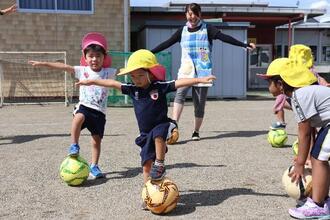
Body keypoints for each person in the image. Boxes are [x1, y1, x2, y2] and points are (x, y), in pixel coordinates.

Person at [75, 49, 215, 185]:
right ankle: (148, 191)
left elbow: (178, 83)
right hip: (145, 133)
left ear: (151, 74)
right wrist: (91, 81)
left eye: (140, 75)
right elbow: (112, 83)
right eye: (133, 76)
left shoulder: (159, 86)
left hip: (162, 124)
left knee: (158, 135)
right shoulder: (132, 89)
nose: (137, 80)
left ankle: (160, 164)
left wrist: (199, 79)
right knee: (146, 165)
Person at [151, 2, 255, 141]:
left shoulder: (207, 29)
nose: (192, 16)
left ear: (199, 14)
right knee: (180, 95)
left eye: (194, 13)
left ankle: (196, 131)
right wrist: (150, 53)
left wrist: (244, 45)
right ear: (185, 15)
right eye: (189, 13)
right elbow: (167, 43)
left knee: (199, 103)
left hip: (203, 72)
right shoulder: (181, 31)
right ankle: (174, 125)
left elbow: (225, 38)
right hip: (186, 71)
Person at [29, 32, 115, 179]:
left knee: (96, 141)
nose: (94, 59)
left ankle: (94, 166)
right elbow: (63, 66)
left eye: (98, 56)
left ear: (104, 57)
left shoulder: (108, 72)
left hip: (100, 113)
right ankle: (74, 145)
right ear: (85, 57)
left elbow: (126, 72)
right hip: (85, 106)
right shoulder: (82, 71)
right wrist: (44, 63)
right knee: (78, 117)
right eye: (91, 56)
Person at [275, 60, 330, 219]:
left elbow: (304, 133)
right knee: (318, 157)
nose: (267, 87)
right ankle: (323, 200)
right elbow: (311, 131)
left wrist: (299, 164)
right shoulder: (305, 94)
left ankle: (318, 205)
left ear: (280, 84)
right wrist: (306, 158)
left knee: (319, 159)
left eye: (268, 82)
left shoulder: (299, 95)